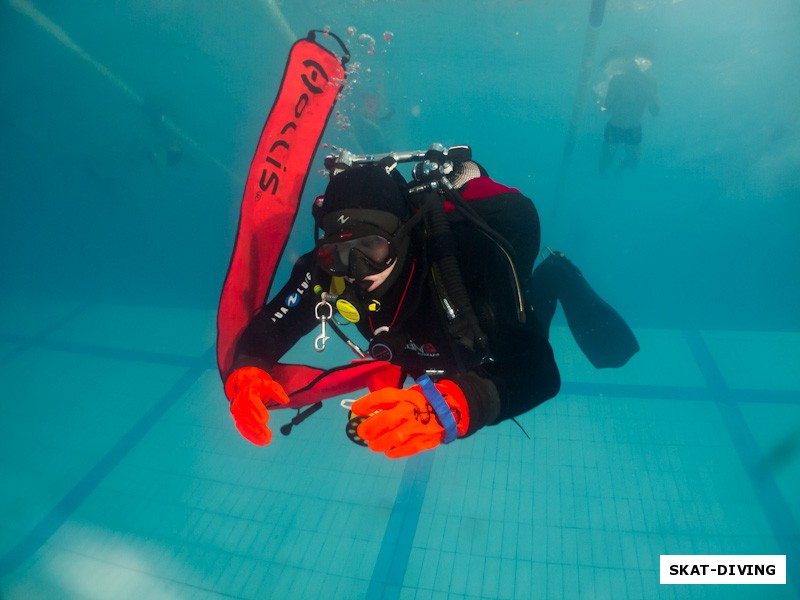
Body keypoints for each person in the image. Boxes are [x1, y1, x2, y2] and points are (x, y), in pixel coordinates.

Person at [223, 149, 637, 458]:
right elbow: (271, 326)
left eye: (371, 248)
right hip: (418, 347)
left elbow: (537, 371)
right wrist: (249, 368)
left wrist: (456, 405)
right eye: (339, 253)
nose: (356, 271)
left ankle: (555, 275)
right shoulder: (325, 267)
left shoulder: (470, 258)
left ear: (404, 236)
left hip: (480, 331)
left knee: (521, 321)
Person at [598, 58, 660, 174]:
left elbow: (655, 111)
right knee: (608, 162)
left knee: (629, 163)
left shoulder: (648, 82)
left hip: (626, 127)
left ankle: (614, 173)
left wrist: (650, 95)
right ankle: (606, 175)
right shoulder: (619, 81)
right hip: (623, 127)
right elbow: (655, 112)